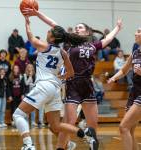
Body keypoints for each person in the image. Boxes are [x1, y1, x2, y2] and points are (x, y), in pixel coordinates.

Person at [23, 8, 122, 150]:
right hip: (72, 84)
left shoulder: (93, 45)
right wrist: (37, 14)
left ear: (87, 32)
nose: (76, 28)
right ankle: (60, 147)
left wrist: (117, 28)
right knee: (68, 121)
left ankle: (92, 145)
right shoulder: (69, 42)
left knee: (93, 126)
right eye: (75, 27)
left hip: (88, 84)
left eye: (80, 27)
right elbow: (53, 24)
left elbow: (108, 39)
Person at [13, 13, 100, 150]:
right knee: (55, 125)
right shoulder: (63, 53)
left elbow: (30, 37)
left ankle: (28, 144)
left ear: (52, 37)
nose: (47, 32)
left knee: (18, 114)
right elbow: (71, 73)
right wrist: (59, 78)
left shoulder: (44, 46)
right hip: (55, 89)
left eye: (49, 31)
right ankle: (85, 135)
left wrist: (27, 22)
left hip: (44, 85)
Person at [108, 27, 141, 150]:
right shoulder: (135, 52)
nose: (135, 33)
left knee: (123, 127)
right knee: (130, 131)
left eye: (138, 31)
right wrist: (114, 78)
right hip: (135, 91)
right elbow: (124, 70)